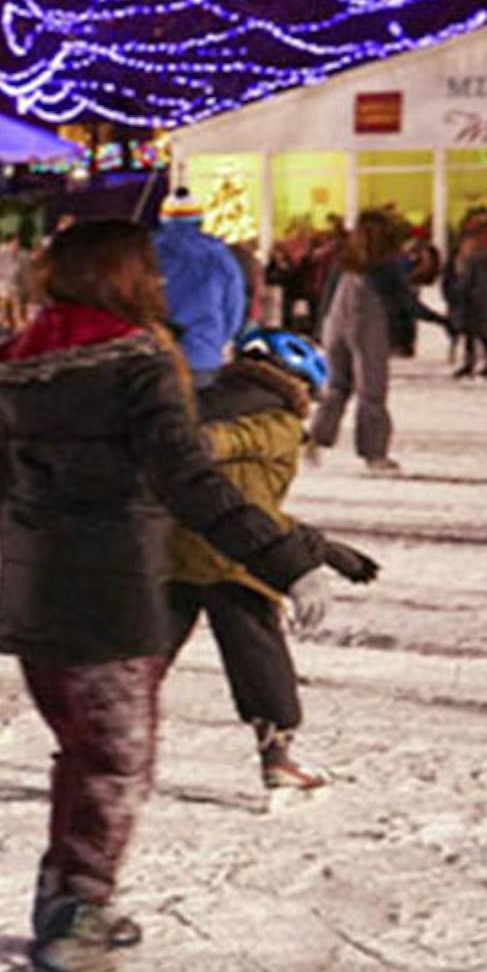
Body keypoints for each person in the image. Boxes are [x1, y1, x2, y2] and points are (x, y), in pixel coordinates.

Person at [0, 221, 377, 972]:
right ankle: (74, 927)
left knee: (85, 754)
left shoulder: (30, 358)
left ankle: (63, 906)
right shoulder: (139, 364)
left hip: (35, 597)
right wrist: (288, 559)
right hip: (111, 594)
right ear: (130, 279)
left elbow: (3, 491)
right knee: (117, 763)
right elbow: (192, 482)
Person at [165, 327, 336, 795]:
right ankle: (277, 753)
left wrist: (317, 545)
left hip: (178, 548)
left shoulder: (193, 399)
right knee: (258, 654)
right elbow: (237, 447)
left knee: (144, 655)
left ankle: (102, 737)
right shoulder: (279, 423)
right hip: (243, 557)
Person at [307, 210, 443, 473]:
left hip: (335, 326)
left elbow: (326, 297)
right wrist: (441, 320)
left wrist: (319, 330)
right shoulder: (383, 266)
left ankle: (315, 439)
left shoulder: (344, 260)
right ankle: (374, 453)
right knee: (372, 391)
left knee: (337, 387)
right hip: (367, 329)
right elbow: (405, 302)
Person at [153, 185, 246, 385]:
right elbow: (233, 308)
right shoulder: (219, 257)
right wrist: (215, 341)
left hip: (157, 356)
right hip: (202, 355)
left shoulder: (148, 255)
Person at [444, 226, 487, 378]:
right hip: (483, 300)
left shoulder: (473, 259)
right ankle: (484, 363)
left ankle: (474, 363)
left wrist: (457, 291)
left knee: (475, 333)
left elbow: (467, 280)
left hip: (473, 301)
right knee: (478, 334)